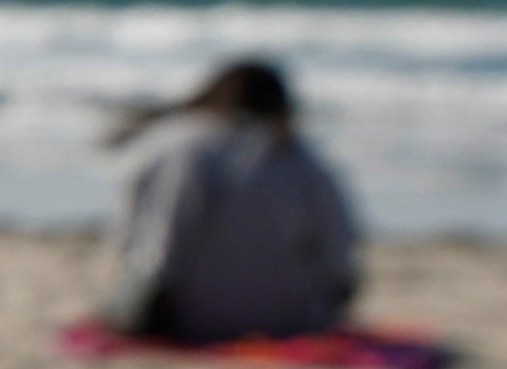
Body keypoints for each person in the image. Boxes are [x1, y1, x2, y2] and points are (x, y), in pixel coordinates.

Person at [101, 58, 360, 346]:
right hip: (294, 321)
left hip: (190, 320)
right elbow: (339, 255)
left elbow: (156, 244)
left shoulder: (179, 147)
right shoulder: (301, 158)